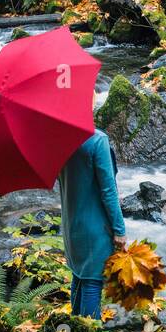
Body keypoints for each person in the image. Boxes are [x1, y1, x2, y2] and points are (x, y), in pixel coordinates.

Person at [57, 128, 127, 319]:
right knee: (92, 282)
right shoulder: (97, 140)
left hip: (71, 224)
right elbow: (109, 191)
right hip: (95, 227)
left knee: (79, 276)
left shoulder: (58, 138)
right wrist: (119, 229)